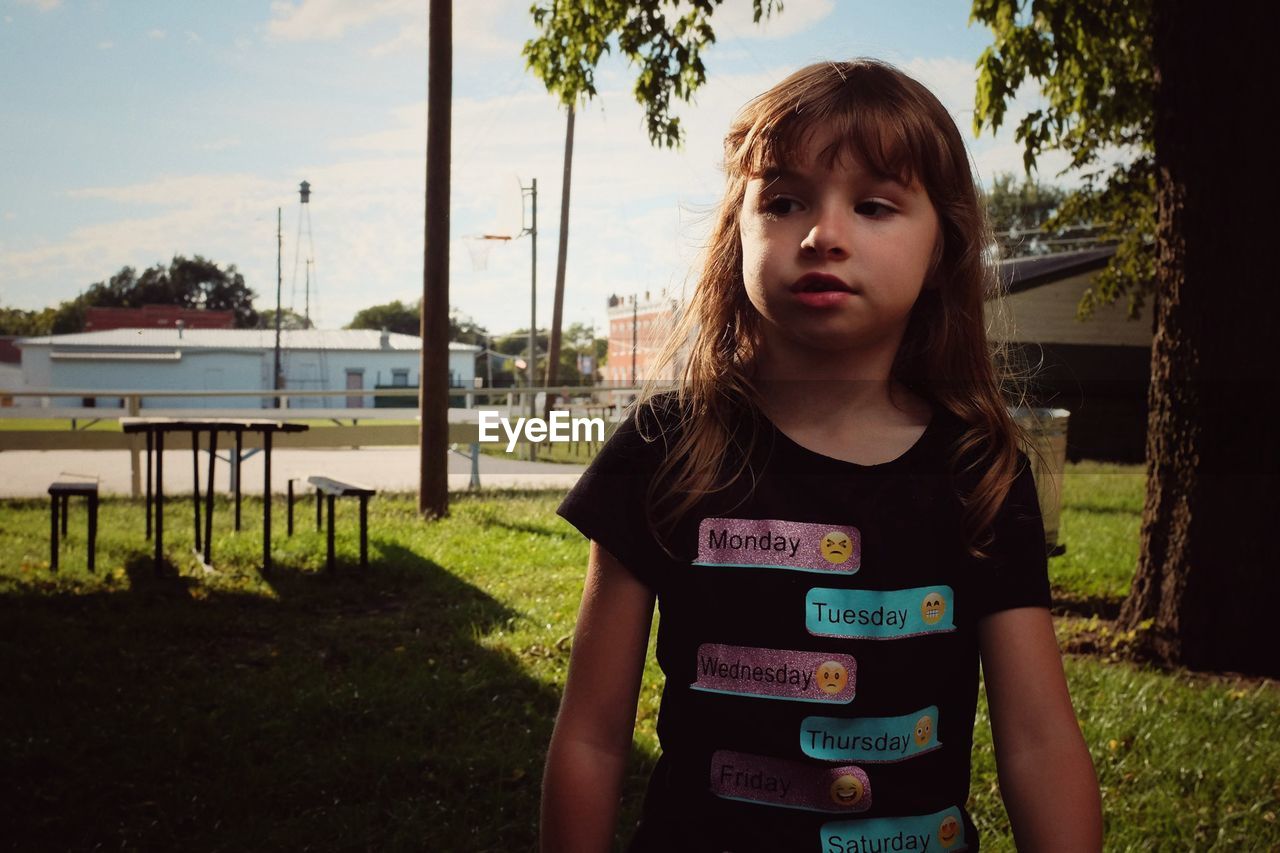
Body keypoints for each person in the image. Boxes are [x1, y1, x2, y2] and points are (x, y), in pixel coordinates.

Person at [542, 59, 1102, 852]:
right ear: (735, 234)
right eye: (782, 201)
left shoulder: (981, 470)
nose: (821, 235)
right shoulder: (663, 449)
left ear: (945, 249)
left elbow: (1041, 743)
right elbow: (592, 738)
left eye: (873, 205)